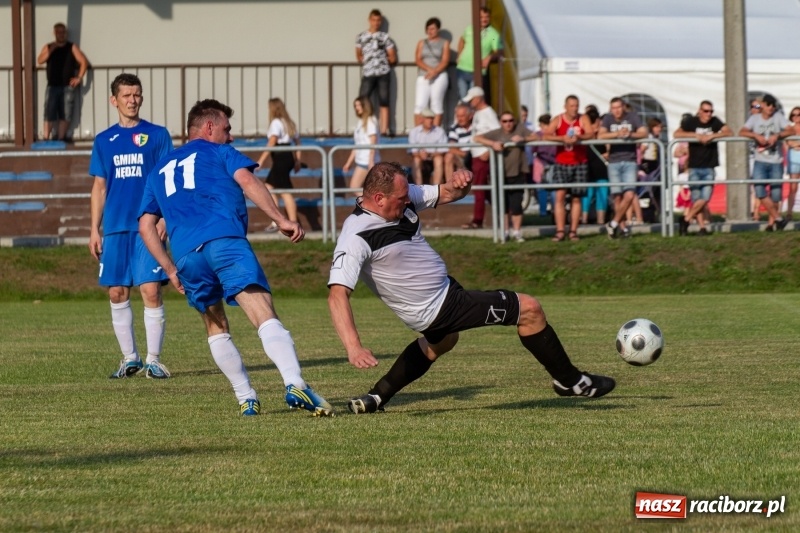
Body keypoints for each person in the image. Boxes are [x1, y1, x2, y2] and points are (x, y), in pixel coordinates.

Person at [327, 161, 615, 415]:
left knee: (442, 343)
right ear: (378, 198)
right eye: (400, 199)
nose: (406, 201)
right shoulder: (356, 237)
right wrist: (354, 347)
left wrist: (459, 182)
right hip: (438, 307)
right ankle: (571, 381)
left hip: (445, 293)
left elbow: (449, 192)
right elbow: (337, 295)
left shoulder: (402, 196)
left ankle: (377, 397)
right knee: (529, 309)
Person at [138, 99, 333, 417]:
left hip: (187, 256)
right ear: (209, 127)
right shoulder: (219, 151)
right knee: (262, 311)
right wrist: (281, 219)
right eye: (227, 129)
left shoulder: (159, 169)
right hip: (224, 241)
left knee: (215, 325)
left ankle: (246, 398)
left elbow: (146, 225)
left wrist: (171, 269)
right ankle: (294, 382)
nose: (231, 137)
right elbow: (247, 180)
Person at [89, 73, 173, 380]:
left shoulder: (158, 135)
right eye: (126, 95)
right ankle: (130, 359)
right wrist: (93, 229)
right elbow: (99, 188)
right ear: (114, 100)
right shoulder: (103, 140)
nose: (132, 100)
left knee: (150, 290)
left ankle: (154, 360)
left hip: (147, 227)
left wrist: (164, 217)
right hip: (114, 228)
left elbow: (167, 180)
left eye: (137, 94)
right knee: (116, 292)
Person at [674, 101, 733, 236]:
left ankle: (686, 220)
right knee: (696, 199)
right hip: (694, 166)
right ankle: (701, 228)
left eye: (711, 111)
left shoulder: (715, 122)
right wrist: (695, 135)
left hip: (709, 165)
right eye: (706, 111)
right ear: (700, 111)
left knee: (705, 198)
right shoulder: (691, 122)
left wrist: (713, 135)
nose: (709, 114)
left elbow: (729, 132)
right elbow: (677, 134)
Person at [474, 111, 532, 242]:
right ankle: (505, 232)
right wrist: (492, 144)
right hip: (500, 174)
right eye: (505, 121)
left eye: (511, 120)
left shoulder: (520, 129)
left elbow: (537, 137)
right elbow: (477, 138)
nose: (508, 124)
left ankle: (517, 232)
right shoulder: (496, 133)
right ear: (501, 122)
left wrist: (523, 139)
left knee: (517, 205)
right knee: (503, 205)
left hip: (517, 172)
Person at [543, 95, 594, 241]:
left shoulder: (583, 119)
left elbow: (590, 133)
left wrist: (580, 138)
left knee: (576, 198)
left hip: (579, 162)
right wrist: (562, 138)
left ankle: (573, 231)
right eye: (572, 106)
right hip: (562, 161)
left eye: (576, 105)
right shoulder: (558, 119)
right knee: (560, 196)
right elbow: (546, 136)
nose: (574, 108)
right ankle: (560, 230)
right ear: (565, 106)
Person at [738, 94, 793, 231]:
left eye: (773, 105)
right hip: (760, 161)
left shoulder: (778, 117)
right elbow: (742, 132)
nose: (771, 107)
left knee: (775, 195)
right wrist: (756, 135)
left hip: (776, 161)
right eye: (768, 104)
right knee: (760, 191)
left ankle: (771, 223)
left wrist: (778, 135)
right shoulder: (754, 118)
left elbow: (790, 129)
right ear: (762, 105)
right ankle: (778, 219)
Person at [598, 97, 648, 238]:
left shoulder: (632, 117)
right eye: (613, 108)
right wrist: (617, 134)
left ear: (623, 107)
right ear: (610, 108)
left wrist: (631, 134)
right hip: (614, 161)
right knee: (617, 197)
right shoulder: (608, 119)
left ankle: (613, 223)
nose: (617, 111)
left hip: (630, 160)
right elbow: (600, 136)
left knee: (630, 194)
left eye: (619, 107)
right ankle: (622, 227)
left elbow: (644, 132)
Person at [256, 98, 302, 233]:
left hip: (281, 156)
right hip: (287, 157)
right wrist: (297, 160)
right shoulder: (288, 122)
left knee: (285, 191)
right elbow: (298, 143)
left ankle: (293, 223)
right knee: (269, 187)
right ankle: (276, 220)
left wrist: (261, 160)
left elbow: (272, 142)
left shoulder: (276, 122)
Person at [37, 22, 89, 141]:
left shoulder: (72, 47)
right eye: (58, 32)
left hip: (67, 86)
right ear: (54, 33)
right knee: (49, 112)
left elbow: (83, 62)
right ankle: (46, 138)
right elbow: (40, 60)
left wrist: (79, 78)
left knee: (65, 113)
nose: (61, 34)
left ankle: (61, 138)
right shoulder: (49, 46)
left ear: (66, 33)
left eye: (63, 32)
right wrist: (51, 50)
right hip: (52, 86)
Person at [460, 86, 499, 230]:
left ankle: (478, 220)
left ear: (478, 98)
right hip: (476, 155)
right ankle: (502, 212)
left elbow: (497, 133)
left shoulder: (488, 113)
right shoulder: (478, 113)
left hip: (483, 155)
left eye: (472, 100)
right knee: (484, 189)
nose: (470, 103)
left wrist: (488, 150)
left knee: (480, 188)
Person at [355, 9, 397, 137]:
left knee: (384, 101)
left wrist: (382, 62)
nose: (376, 23)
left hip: (383, 73)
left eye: (378, 20)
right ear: (369, 20)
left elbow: (392, 56)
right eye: (374, 20)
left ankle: (384, 130)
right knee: (363, 100)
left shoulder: (385, 37)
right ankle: (364, 127)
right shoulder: (361, 37)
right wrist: (367, 61)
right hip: (368, 73)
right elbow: (358, 53)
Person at [455, 6, 503, 101]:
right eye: (481, 17)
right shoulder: (469, 29)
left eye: (486, 17)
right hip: (462, 69)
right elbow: (462, 39)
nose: (484, 19)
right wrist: (459, 55)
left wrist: (489, 57)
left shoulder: (493, 34)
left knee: (474, 99)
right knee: (462, 98)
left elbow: (499, 50)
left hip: (477, 72)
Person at [413, 17, 450, 127]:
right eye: (428, 29)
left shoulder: (444, 43)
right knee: (420, 104)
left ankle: (436, 132)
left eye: (433, 29)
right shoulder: (421, 42)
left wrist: (435, 72)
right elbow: (418, 59)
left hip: (439, 75)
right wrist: (429, 70)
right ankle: (418, 132)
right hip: (424, 75)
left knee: (436, 104)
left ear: (438, 29)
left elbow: (445, 60)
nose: (430, 31)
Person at [342, 96, 380, 194]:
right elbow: (357, 145)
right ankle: (370, 206)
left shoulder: (371, 120)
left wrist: (371, 160)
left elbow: (373, 141)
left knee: (354, 187)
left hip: (366, 161)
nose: (357, 108)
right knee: (367, 189)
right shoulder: (360, 122)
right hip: (361, 160)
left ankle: (370, 207)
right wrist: (348, 163)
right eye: (355, 105)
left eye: (359, 105)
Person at [581, 104, 609, 225]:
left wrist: (608, 153)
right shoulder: (584, 136)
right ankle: (585, 219)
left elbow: (609, 149)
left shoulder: (602, 135)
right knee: (588, 194)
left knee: (602, 193)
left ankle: (600, 220)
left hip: (602, 169)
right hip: (588, 169)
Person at [408, 108, 448, 185]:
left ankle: (436, 188)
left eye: (432, 118)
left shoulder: (439, 131)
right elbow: (411, 151)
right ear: (421, 119)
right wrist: (420, 154)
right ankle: (419, 188)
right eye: (427, 118)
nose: (430, 121)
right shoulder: (414, 132)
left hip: (434, 157)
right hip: (420, 157)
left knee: (439, 159)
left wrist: (430, 154)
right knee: (416, 160)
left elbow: (443, 150)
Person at [531, 113, 557, 218]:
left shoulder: (538, 135)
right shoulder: (554, 135)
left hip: (543, 163)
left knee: (543, 189)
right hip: (547, 162)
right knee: (550, 188)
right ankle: (553, 209)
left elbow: (533, 149)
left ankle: (544, 211)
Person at [444, 102, 473, 182]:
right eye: (458, 116)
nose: (459, 119)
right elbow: (451, 148)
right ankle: (450, 186)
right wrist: (465, 154)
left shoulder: (477, 126)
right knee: (449, 156)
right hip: (462, 157)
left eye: (462, 116)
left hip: (476, 156)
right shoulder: (454, 128)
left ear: (470, 116)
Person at [785, 106, 800, 221]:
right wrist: (793, 144)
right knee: (793, 188)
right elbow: (787, 142)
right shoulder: (789, 128)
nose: (796, 117)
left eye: (798, 115)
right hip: (794, 160)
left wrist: (794, 144)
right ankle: (789, 213)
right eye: (794, 115)